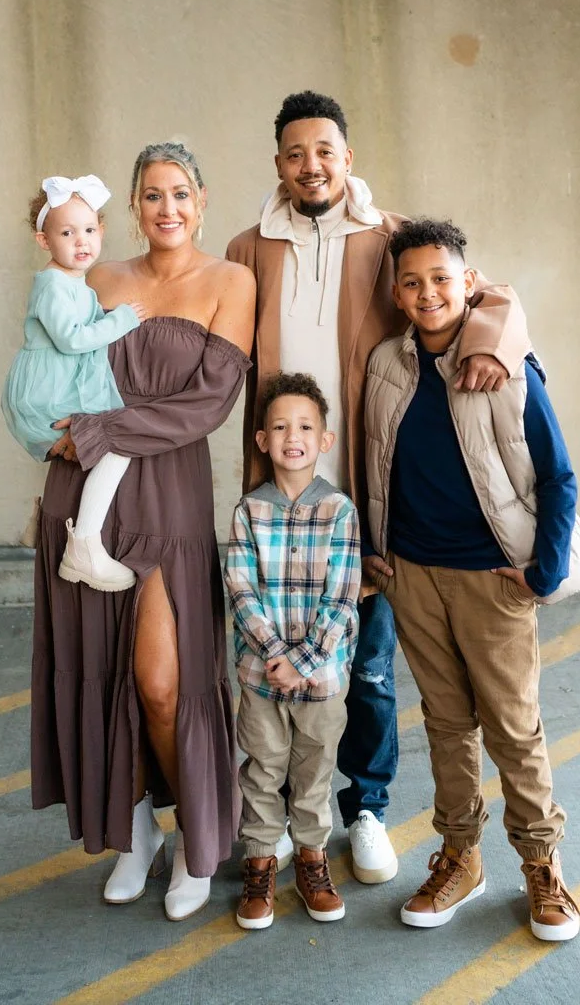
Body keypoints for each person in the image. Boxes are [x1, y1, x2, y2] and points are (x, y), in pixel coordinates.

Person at [226, 90, 531, 884]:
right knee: (274, 668)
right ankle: (287, 821)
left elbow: (486, 291)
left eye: (324, 150)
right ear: (278, 165)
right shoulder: (248, 247)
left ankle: (365, 809)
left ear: (347, 157)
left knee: (365, 667)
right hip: (281, 494)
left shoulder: (388, 236)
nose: (310, 165)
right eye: (295, 154)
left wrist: (492, 341)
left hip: (368, 490)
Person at [30, 141, 256, 922]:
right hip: (83, 488)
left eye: (181, 194)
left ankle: (195, 836)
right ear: (132, 205)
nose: (167, 208)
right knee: (101, 671)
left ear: (202, 201)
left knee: (166, 684)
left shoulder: (231, 281)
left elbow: (208, 404)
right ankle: (133, 832)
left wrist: (99, 431)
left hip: (167, 491)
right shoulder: (96, 275)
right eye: (152, 195)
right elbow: (51, 366)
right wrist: (49, 429)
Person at [364, 218, 580, 941]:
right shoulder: (385, 366)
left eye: (441, 279)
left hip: (493, 579)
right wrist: (380, 554)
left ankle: (542, 866)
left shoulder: (505, 364)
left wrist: (541, 573)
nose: (428, 292)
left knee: (514, 730)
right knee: (447, 724)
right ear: (396, 293)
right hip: (414, 576)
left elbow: (557, 474)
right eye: (412, 281)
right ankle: (460, 856)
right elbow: (376, 466)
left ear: (469, 284)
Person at [225, 372, 360, 930]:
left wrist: (302, 662)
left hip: (323, 679)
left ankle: (310, 860)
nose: (292, 436)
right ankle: (259, 866)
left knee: (314, 773)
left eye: (305, 426)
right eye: (279, 426)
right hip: (261, 675)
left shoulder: (340, 511)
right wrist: (277, 654)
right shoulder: (248, 511)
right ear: (262, 440)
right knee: (262, 770)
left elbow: (344, 595)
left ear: (324, 440)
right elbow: (239, 587)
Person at [2, 174, 147, 592]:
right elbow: (72, 339)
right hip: (45, 394)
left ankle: (69, 534)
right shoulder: (50, 284)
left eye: (88, 230)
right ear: (44, 241)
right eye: (66, 232)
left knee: (113, 447)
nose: (80, 241)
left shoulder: (74, 283)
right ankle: (82, 544)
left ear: (101, 232)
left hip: (62, 385)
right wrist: (121, 320)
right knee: (117, 447)